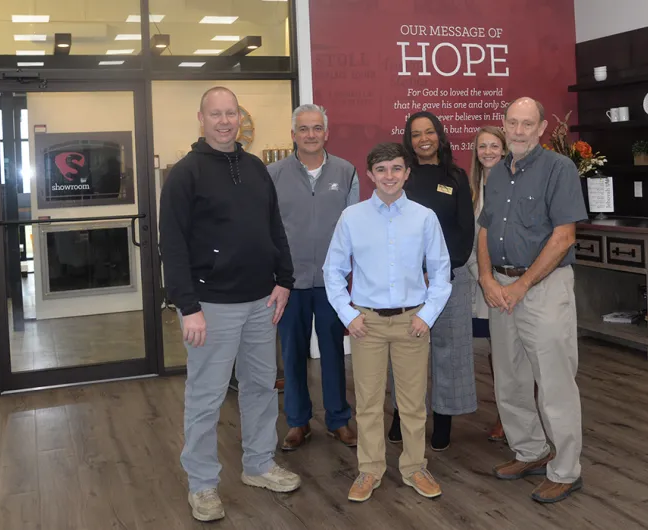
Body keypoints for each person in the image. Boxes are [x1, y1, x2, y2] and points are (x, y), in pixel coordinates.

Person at [159, 86, 302, 522]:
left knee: (260, 388)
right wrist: (189, 306)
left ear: (239, 118)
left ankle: (258, 463)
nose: (225, 121)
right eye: (216, 114)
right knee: (206, 397)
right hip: (212, 306)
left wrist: (284, 281)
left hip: (262, 301)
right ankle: (202, 485)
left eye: (231, 113)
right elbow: (173, 246)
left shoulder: (257, 168)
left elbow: (274, 228)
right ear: (200, 118)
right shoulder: (185, 174)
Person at [324, 142, 452, 503]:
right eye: (381, 170)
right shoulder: (352, 218)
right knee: (366, 403)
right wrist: (349, 316)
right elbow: (333, 272)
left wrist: (427, 316)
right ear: (370, 175)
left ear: (407, 173)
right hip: (367, 324)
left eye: (396, 168)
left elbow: (441, 273)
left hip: (413, 322)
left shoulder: (424, 217)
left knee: (412, 403)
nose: (389, 176)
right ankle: (370, 470)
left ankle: (414, 468)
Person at [476, 97, 587, 503]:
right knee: (510, 378)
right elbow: (485, 229)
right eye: (512, 123)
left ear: (541, 128)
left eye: (527, 124)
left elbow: (564, 237)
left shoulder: (559, 169)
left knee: (555, 382)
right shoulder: (497, 173)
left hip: (543, 288)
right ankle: (530, 451)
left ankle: (566, 469)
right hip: (501, 289)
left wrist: (520, 288)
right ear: (503, 125)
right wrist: (487, 277)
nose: (519, 131)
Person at [268, 103, 359, 451]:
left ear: (326, 133)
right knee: (291, 353)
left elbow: (354, 228)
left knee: (334, 351)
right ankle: (297, 422)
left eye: (316, 128)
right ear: (293, 135)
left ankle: (338, 419)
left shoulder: (346, 172)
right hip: (288, 283)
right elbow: (266, 228)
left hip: (331, 283)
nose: (310, 135)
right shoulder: (273, 174)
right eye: (303, 129)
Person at [387, 111, 476, 451]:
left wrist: (440, 270)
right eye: (415, 134)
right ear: (408, 140)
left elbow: (464, 231)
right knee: (406, 354)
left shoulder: (455, 176)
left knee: (449, 353)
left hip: (447, 279)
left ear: (439, 135)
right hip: (407, 283)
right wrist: (413, 269)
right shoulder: (402, 178)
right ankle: (401, 415)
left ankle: (444, 420)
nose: (423, 139)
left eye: (429, 132)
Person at [465, 126, 508, 442]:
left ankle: (522, 411)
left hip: (513, 280)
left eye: (495, 145)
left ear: (505, 150)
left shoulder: (515, 183)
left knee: (516, 349)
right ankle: (506, 413)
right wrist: (481, 274)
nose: (489, 151)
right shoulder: (472, 188)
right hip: (481, 280)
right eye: (483, 146)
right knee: (497, 348)